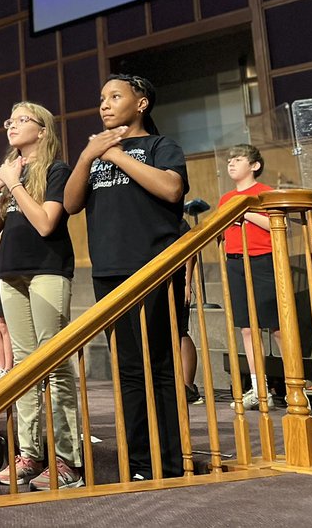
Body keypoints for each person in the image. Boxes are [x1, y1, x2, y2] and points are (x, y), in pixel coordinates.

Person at [63, 74, 188, 480]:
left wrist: (115, 155)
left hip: (152, 268)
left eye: (115, 96)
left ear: (141, 104)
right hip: (109, 272)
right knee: (129, 370)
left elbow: (171, 190)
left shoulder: (159, 146)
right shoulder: (95, 153)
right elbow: (70, 203)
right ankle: (138, 464)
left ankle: (167, 463)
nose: (104, 104)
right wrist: (86, 158)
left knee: (160, 367)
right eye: (101, 98)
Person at [0, 101, 83, 490]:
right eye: (9, 119)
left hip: (48, 270)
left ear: (42, 130)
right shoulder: (11, 173)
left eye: (22, 119)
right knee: (24, 365)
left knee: (53, 363)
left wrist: (14, 185)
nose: (11, 125)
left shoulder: (57, 170)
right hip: (11, 273)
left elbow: (45, 224)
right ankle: (30, 453)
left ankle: (66, 459)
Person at [220, 144, 277, 411]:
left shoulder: (264, 193)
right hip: (235, 263)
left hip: (263, 261)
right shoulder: (226, 197)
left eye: (238, 159)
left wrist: (246, 214)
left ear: (254, 165)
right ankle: (258, 388)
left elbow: (275, 225)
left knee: (277, 326)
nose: (231, 163)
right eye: (230, 159)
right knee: (246, 327)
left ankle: (295, 384)